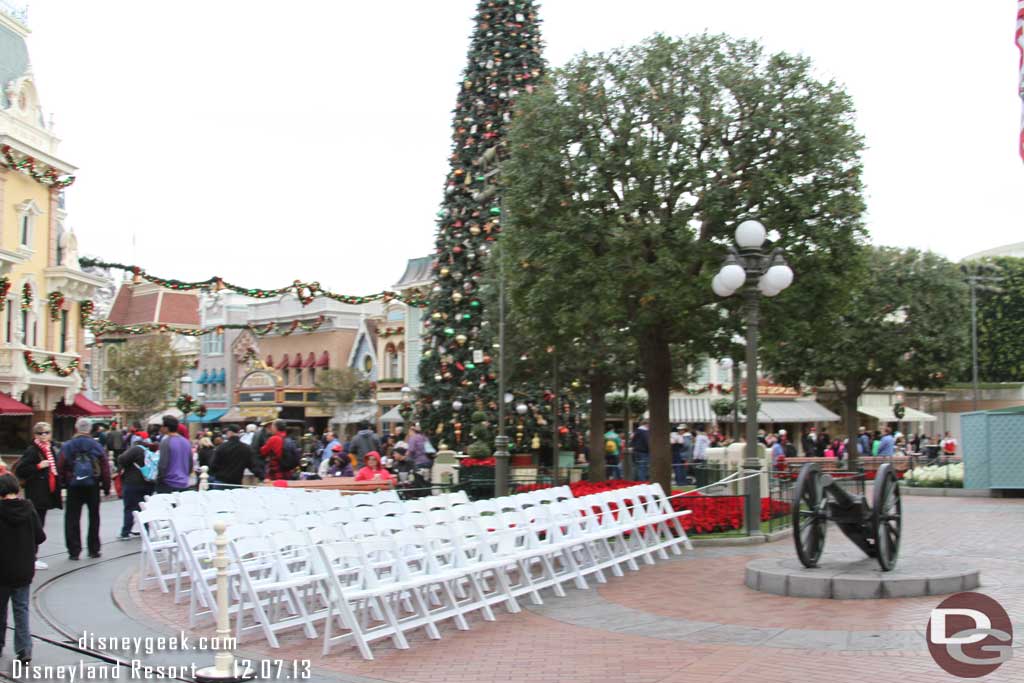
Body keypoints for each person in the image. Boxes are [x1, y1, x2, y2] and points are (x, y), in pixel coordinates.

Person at [0, 473, 45, 664]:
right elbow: (40, 536)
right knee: (21, 609)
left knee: (1, 610)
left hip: (2, 570)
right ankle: (24, 649)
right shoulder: (28, 508)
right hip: (24, 569)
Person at [57, 417, 110, 560]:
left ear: (76, 429)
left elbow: (60, 465)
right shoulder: (96, 445)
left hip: (73, 485)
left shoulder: (67, 445)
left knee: (72, 518)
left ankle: (74, 550)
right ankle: (93, 549)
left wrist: (62, 483)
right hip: (92, 485)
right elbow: (105, 466)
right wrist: (106, 486)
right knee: (94, 517)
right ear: (90, 430)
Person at [14, 422, 61, 568]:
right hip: (36, 493)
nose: (45, 436)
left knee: (39, 524)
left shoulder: (50, 449)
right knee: (35, 526)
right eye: (41, 433)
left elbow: (55, 470)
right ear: (35, 435)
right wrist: (38, 466)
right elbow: (21, 470)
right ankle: (31, 557)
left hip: (46, 492)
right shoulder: (33, 450)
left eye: (47, 432)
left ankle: (32, 556)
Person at [116, 439, 156, 539]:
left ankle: (125, 532)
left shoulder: (136, 449)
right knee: (144, 508)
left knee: (130, 507)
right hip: (149, 483)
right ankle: (146, 531)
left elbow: (121, 459)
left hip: (133, 483)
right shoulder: (149, 453)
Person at [156, 416, 192, 494]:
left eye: (162, 426)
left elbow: (163, 464)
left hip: (168, 482)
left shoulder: (166, 442)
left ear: (166, 428)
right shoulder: (186, 442)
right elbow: (190, 463)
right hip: (184, 482)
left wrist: (159, 478)